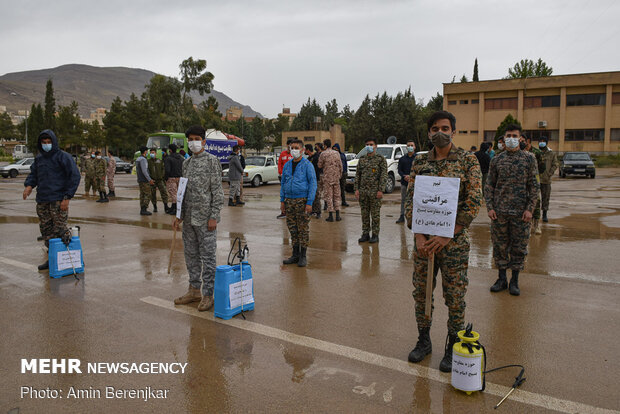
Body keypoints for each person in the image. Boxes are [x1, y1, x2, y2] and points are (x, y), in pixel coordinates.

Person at [404, 111, 482, 373]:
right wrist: (419, 235)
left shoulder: (467, 161)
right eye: (435, 128)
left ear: (454, 131)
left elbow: (474, 200)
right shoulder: (420, 162)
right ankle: (424, 340)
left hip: (454, 244)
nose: (440, 132)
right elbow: (411, 199)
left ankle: (452, 345)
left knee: (455, 296)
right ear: (428, 133)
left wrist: (448, 234)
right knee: (422, 293)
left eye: (445, 128)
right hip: (424, 243)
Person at [173, 125, 224, 311]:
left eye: (196, 139)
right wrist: (178, 215)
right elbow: (183, 192)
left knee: (208, 257)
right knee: (191, 255)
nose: (192, 142)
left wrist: (214, 216)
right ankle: (194, 290)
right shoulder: (186, 163)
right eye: (190, 139)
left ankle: (208, 294)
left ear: (203, 141)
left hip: (205, 220)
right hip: (189, 219)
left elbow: (217, 193)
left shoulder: (212, 161)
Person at [486, 124, 539, 296]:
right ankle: (501, 279)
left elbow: (534, 185)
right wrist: (490, 207)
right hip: (499, 213)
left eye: (514, 136)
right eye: (508, 135)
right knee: (500, 247)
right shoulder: (497, 160)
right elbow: (489, 186)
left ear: (520, 138)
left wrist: (530, 209)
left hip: (521, 213)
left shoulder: (529, 158)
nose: (511, 138)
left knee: (519, 247)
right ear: (503, 138)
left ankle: (514, 281)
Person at [23, 130, 81, 270]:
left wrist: (67, 197)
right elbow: (34, 175)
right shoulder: (39, 159)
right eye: (44, 143)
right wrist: (29, 186)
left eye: (49, 142)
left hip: (58, 200)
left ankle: (67, 259)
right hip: (43, 200)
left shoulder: (63, 157)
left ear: (54, 142)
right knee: (47, 231)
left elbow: (74, 176)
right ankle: (52, 259)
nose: (46, 145)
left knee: (60, 230)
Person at [280, 139, 317, 267]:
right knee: (292, 228)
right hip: (289, 200)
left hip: (302, 200)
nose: (293, 150)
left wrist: (309, 202)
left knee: (303, 229)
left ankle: (303, 255)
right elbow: (283, 183)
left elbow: (313, 183)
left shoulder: (307, 165)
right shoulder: (287, 165)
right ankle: (295, 254)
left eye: (296, 148)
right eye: (292, 147)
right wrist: (282, 200)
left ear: (302, 150)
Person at [355, 137, 387, 243]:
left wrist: (381, 190)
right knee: (364, 214)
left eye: (371, 144)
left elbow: (383, 175)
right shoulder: (362, 159)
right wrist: (356, 189)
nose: (369, 146)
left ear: (375, 146)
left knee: (375, 215)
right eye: (367, 144)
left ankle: (375, 234)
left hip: (375, 192)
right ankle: (365, 234)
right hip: (363, 192)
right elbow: (358, 175)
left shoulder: (380, 159)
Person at [521, 134, 544, 234]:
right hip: (522, 183)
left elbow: (543, 167)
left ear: (528, 141)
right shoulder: (518, 153)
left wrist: (535, 175)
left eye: (522, 140)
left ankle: (537, 225)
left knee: (536, 202)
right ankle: (528, 226)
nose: (520, 142)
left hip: (534, 179)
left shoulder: (536, 153)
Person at [318, 139, 342, 222]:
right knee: (337, 196)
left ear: (324, 145)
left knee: (329, 196)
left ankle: (331, 215)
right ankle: (338, 214)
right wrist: (339, 175)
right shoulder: (337, 153)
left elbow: (319, 165)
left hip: (327, 178)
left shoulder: (323, 154)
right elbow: (340, 166)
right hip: (336, 178)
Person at [538, 136, 558, 223]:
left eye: (543, 141)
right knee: (534, 198)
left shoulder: (551, 153)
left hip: (546, 180)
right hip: (536, 180)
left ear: (546, 143)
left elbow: (555, 164)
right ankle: (535, 214)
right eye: (540, 141)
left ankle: (544, 214)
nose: (541, 142)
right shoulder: (536, 152)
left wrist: (550, 173)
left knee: (545, 198)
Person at [396, 140, 416, 223]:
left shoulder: (418, 158)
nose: (410, 147)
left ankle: (415, 217)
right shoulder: (402, 159)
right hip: (404, 183)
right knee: (403, 200)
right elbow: (399, 170)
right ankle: (401, 216)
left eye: (412, 145)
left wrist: (411, 176)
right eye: (408, 145)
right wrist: (404, 176)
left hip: (415, 184)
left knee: (415, 200)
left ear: (415, 147)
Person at [164, 144, 184, 216]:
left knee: (173, 194)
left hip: (171, 178)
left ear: (170, 150)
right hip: (180, 178)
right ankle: (173, 208)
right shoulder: (181, 158)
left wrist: (166, 178)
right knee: (178, 194)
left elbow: (167, 170)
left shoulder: (168, 159)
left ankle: (175, 209)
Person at [148, 148, 170, 213]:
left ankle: (166, 206)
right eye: (151, 153)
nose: (152, 154)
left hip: (160, 180)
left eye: (153, 152)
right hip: (152, 180)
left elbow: (163, 169)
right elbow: (147, 171)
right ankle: (155, 207)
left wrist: (162, 176)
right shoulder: (148, 162)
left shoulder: (159, 161)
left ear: (156, 153)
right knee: (152, 194)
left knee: (164, 193)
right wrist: (150, 178)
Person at [277, 139, 294, 219]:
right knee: (283, 194)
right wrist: (280, 173)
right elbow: (279, 164)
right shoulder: (282, 154)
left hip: (292, 177)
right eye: (289, 144)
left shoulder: (294, 154)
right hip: (284, 177)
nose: (290, 146)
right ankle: (283, 212)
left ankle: (292, 212)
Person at [136, 146, 154, 216]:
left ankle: (142, 209)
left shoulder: (138, 159)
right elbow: (144, 171)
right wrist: (149, 179)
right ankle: (144, 209)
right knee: (148, 194)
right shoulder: (143, 159)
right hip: (144, 180)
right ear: (145, 151)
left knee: (142, 194)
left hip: (140, 179)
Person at [308, 144, 322, 218]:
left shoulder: (316, 157)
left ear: (308, 150)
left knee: (316, 195)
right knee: (311, 195)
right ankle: (312, 210)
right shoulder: (308, 158)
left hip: (316, 179)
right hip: (309, 180)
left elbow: (319, 168)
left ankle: (318, 212)